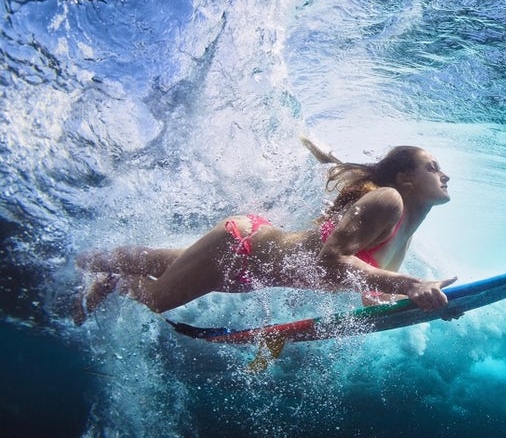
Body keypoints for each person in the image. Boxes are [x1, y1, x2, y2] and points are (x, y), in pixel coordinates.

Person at [73, 139, 456, 325]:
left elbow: (370, 292)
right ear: (405, 178)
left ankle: (80, 259)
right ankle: (114, 280)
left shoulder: (403, 233)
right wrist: (409, 284)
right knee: (158, 298)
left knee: (161, 262)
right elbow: (331, 260)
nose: (444, 175)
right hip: (240, 248)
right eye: (433, 167)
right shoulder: (388, 201)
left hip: (250, 273)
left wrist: (424, 306)